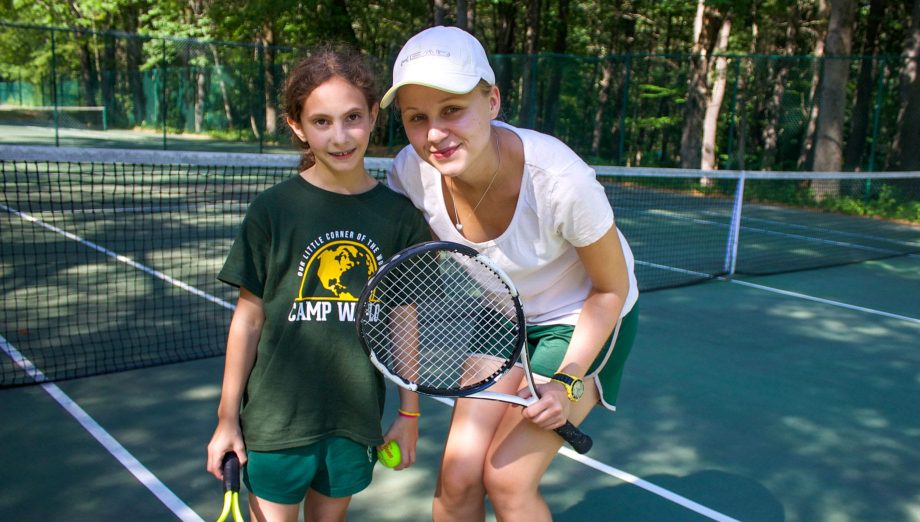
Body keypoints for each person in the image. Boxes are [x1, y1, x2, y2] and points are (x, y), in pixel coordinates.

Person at [382, 26, 640, 521]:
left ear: (493, 100)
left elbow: (611, 289)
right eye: (417, 118)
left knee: (507, 480)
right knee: (458, 477)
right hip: (504, 313)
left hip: (583, 316)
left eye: (452, 109)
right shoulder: (409, 174)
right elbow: (396, 279)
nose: (435, 133)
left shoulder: (560, 180)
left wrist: (565, 383)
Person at [206, 43, 430, 522]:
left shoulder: (400, 217)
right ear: (297, 126)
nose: (340, 136)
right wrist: (227, 418)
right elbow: (247, 320)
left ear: (374, 116)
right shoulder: (273, 210)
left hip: (354, 423)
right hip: (274, 424)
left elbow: (402, 320)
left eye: (353, 117)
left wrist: (409, 413)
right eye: (321, 121)